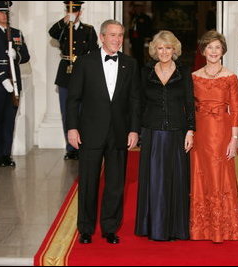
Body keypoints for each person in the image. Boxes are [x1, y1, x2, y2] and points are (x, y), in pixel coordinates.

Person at [66, 19, 141, 244]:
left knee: (116, 183)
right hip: (90, 131)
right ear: (102, 37)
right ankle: (86, 229)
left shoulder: (130, 63)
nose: (117, 39)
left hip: (119, 132)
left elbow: (135, 100)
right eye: (112, 35)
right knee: (88, 181)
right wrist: (72, 128)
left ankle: (110, 228)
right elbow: (73, 99)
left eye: (120, 35)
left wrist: (134, 130)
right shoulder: (85, 62)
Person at [135, 30, 195, 241]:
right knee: (154, 180)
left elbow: (189, 103)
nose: (164, 52)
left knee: (176, 180)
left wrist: (190, 130)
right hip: (152, 132)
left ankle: (175, 227)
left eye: (168, 47)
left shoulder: (184, 72)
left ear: (174, 49)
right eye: (160, 48)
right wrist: (137, 130)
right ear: (154, 50)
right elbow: (140, 104)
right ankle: (152, 226)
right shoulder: (146, 72)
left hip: (177, 133)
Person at [190, 30, 238, 243]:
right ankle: (201, 228)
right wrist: (189, 133)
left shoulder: (230, 77)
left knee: (220, 175)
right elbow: (188, 108)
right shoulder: (194, 77)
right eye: (209, 47)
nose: (213, 51)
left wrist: (234, 139)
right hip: (200, 133)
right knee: (200, 175)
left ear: (223, 51)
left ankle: (224, 228)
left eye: (217, 47)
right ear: (203, 50)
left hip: (222, 133)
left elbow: (236, 110)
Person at [0, 1, 30, 167]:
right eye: (1, 12)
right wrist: (2, 79)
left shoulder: (16, 33)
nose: (4, 15)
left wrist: (16, 55)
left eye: (6, 12)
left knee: (10, 120)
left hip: (14, 82)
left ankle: (6, 155)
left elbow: (26, 56)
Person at [49, 1, 98, 160]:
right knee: (67, 112)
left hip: (83, 73)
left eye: (75, 11)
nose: (73, 14)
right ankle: (71, 148)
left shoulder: (89, 30)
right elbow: (52, 32)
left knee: (83, 112)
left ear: (80, 12)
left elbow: (94, 54)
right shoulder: (63, 29)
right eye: (70, 11)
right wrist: (64, 21)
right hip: (66, 74)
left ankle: (83, 144)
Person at [129, 1, 152, 68]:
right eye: (136, 7)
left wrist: (147, 38)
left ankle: (141, 67)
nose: (137, 9)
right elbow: (131, 27)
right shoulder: (133, 17)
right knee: (135, 54)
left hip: (142, 39)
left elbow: (148, 28)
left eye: (139, 7)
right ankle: (136, 67)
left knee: (142, 55)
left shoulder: (145, 17)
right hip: (134, 39)